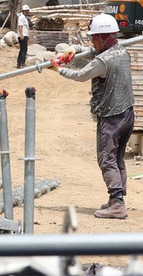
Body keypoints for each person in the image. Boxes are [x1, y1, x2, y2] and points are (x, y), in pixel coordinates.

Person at [49, 13, 134, 219]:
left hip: (112, 116)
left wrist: (59, 68)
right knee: (117, 158)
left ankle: (117, 203)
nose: (92, 41)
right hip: (128, 113)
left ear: (104, 37)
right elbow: (94, 51)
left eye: (94, 38)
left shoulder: (103, 61)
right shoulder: (122, 51)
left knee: (107, 159)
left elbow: (80, 75)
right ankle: (117, 197)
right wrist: (75, 49)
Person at [16, 4, 30, 68]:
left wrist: (27, 35)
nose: (28, 12)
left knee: (22, 49)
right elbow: (20, 26)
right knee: (24, 49)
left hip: (25, 35)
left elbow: (25, 27)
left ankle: (19, 63)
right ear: (23, 11)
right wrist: (22, 35)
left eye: (28, 10)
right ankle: (22, 63)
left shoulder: (24, 17)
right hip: (22, 35)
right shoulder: (21, 17)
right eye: (26, 11)